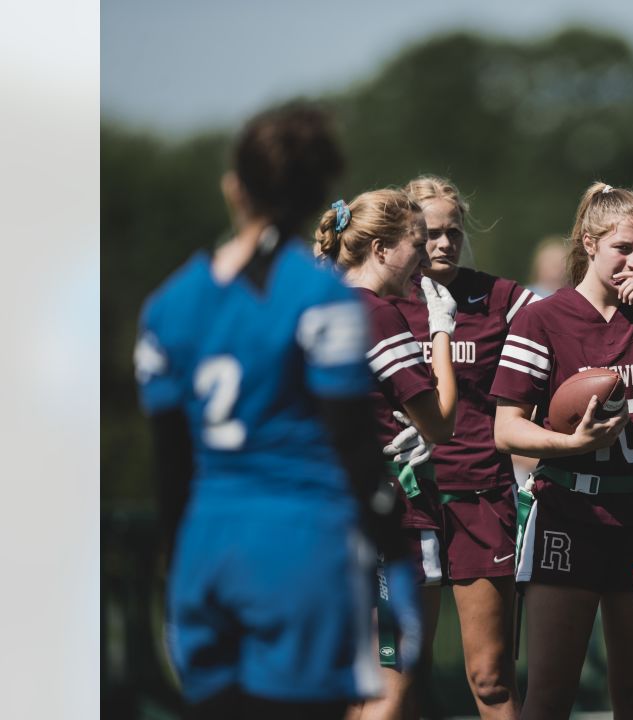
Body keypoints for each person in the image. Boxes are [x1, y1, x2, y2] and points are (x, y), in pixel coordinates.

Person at [134, 103, 419, 719]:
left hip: (206, 550)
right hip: (299, 548)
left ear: (233, 187)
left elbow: (170, 467)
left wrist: (179, 570)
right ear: (319, 192)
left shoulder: (167, 306)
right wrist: (396, 558)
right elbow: (355, 449)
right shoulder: (321, 299)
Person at [490, 182, 633, 719]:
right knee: (550, 696)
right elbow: (505, 429)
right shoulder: (542, 318)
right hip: (569, 515)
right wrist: (568, 443)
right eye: (623, 247)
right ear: (590, 242)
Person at [389, 175, 537, 719]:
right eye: (429, 233)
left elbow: (563, 345)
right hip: (405, 506)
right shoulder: (381, 304)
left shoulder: (502, 298)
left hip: (481, 499)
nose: (444, 243)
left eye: (454, 231)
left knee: (492, 679)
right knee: (397, 675)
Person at [315, 187, 459, 720]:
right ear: (379, 248)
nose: (424, 257)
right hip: (390, 515)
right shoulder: (376, 313)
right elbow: (440, 423)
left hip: (324, 514)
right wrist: (441, 334)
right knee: (389, 689)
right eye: (416, 244)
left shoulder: (317, 303)